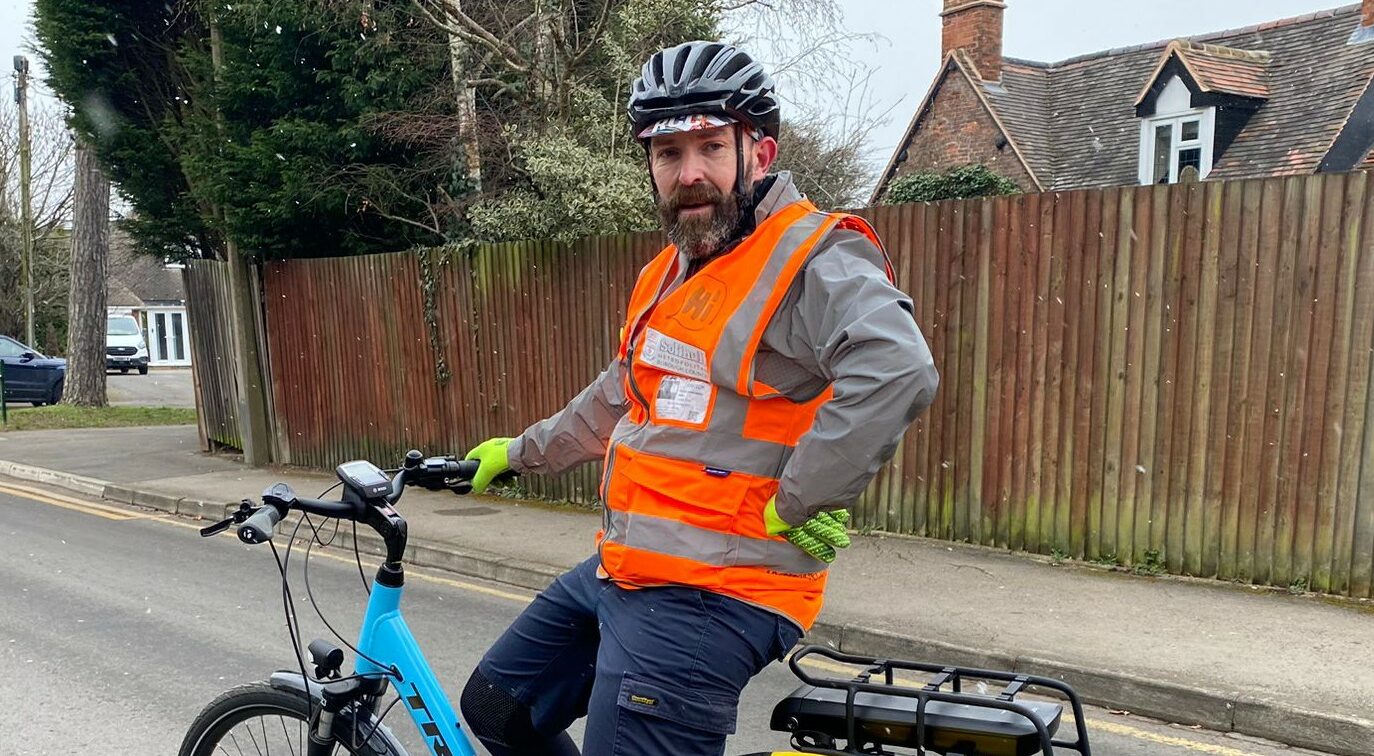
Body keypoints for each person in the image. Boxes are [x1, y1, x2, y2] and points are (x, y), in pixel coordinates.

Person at [457, 40, 939, 756]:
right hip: (634, 565)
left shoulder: (809, 258)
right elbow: (625, 390)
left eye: (711, 147)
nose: (689, 174)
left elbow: (898, 366)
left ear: (760, 153)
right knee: (500, 708)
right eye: (667, 154)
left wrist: (802, 496)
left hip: (719, 590)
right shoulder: (671, 271)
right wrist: (523, 452)